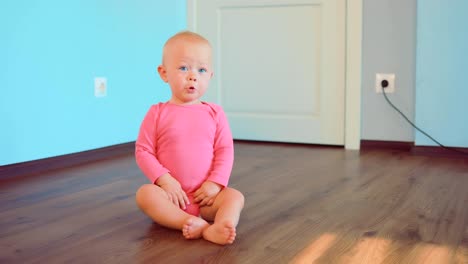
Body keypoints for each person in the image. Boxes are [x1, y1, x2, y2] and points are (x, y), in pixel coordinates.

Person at [134, 31, 244, 245]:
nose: (193, 76)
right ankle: (192, 223)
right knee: (145, 195)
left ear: (210, 76)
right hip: (171, 195)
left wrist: (215, 183)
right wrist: (165, 181)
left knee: (235, 197)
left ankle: (222, 224)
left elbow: (224, 150)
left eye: (201, 70)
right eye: (184, 68)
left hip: (206, 197)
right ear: (164, 73)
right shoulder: (157, 112)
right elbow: (143, 151)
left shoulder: (215, 113)